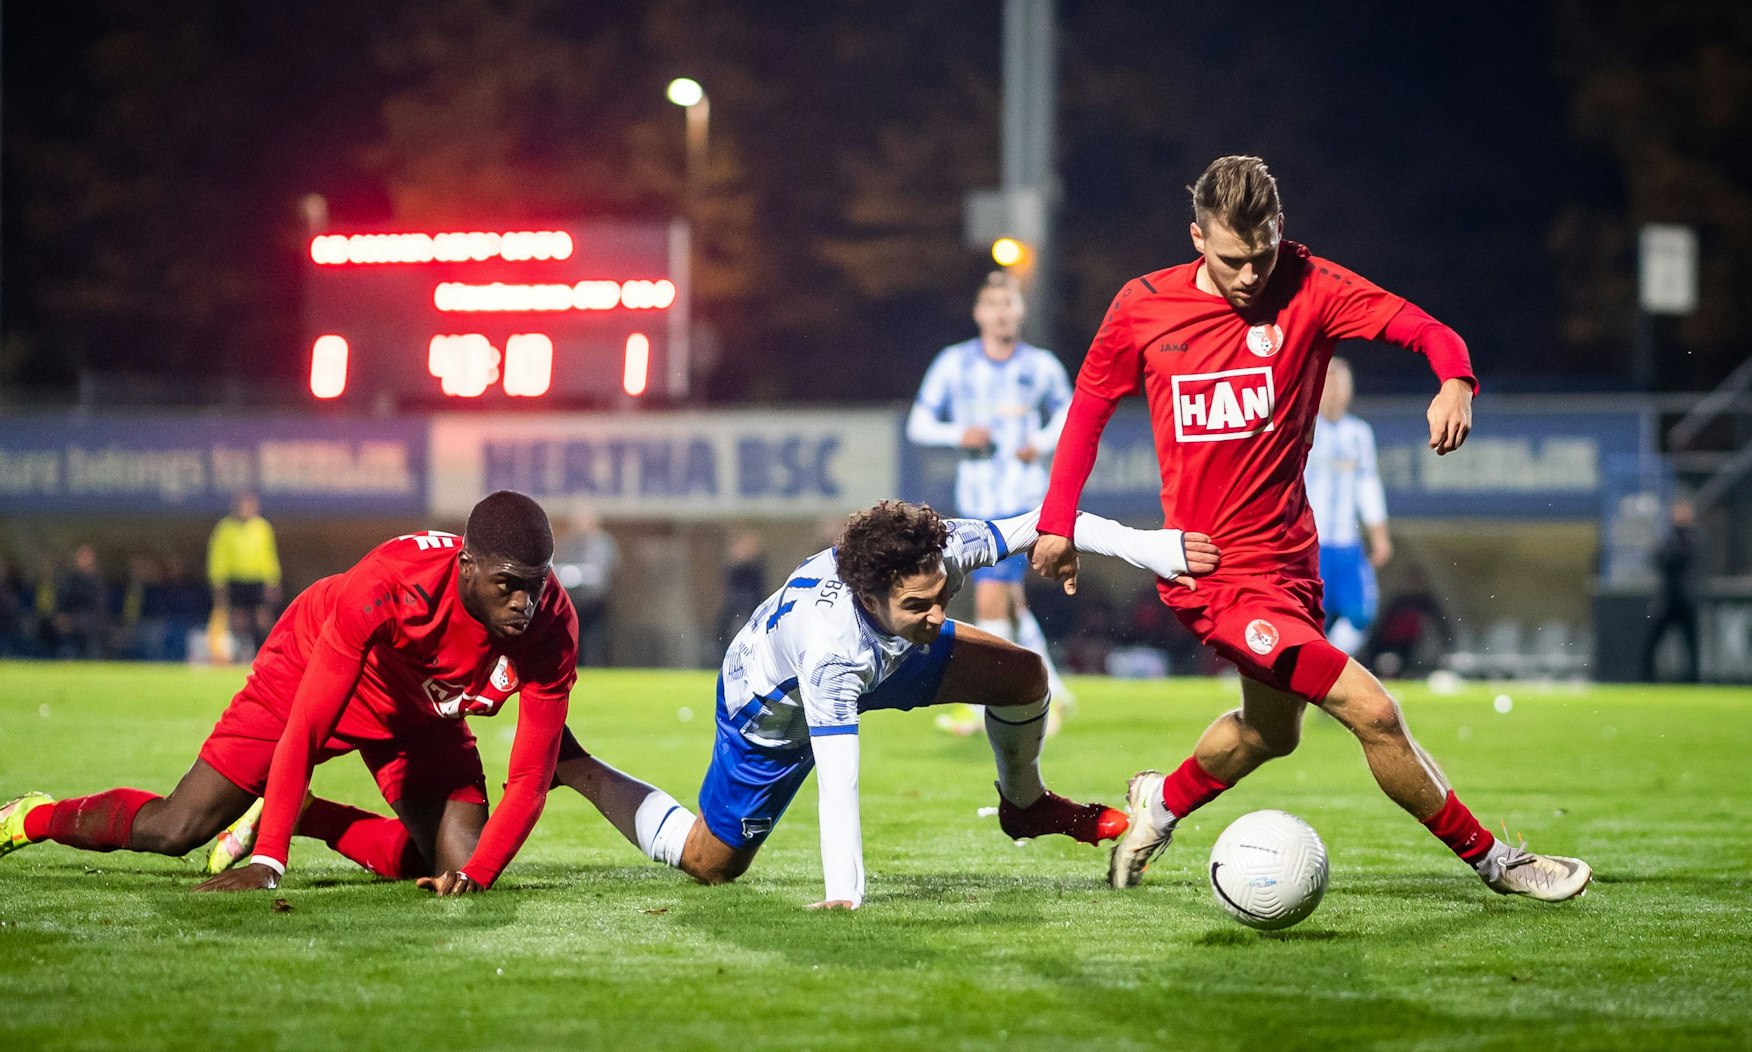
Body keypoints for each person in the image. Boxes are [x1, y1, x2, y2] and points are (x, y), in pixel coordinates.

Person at [1031, 155, 1589, 902]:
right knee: (1375, 712)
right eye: (1231, 259)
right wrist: (1056, 521)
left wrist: (1454, 380)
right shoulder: (1141, 307)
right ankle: (1500, 862)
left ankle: (1158, 804)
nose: (1249, 275)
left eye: (1261, 255)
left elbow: (1426, 328)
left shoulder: (1312, 285)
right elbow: (1090, 407)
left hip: (1293, 565)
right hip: (1214, 574)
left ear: (1280, 231)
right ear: (1196, 237)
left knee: (1271, 733)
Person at [549, 500, 1218, 910]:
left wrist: (1153, 548)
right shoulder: (832, 649)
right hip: (769, 711)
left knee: (1022, 674)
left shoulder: (935, 559)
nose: (939, 612)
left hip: (888, 654)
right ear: (870, 595)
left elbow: (1050, 518)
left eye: (940, 595)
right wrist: (846, 893)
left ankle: (1026, 804)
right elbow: (839, 782)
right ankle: (576, 764)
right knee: (709, 863)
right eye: (919, 604)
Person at [0, 490, 578, 898]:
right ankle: (29, 817)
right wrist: (270, 861)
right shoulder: (386, 584)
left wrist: (478, 873)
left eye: (537, 584)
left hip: (421, 712)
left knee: (441, 864)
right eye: (509, 585)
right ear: (467, 565)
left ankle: (304, 812)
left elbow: (529, 777)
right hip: (313, 665)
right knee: (176, 827)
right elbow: (304, 726)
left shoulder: (552, 624)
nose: (526, 602)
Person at [907, 271, 1076, 735]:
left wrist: (1039, 443)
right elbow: (918, 425)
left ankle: (991, 700)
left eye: (1010, 305)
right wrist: (958, 434)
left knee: (990, 595)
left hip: (1022, 501)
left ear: (1020, 311)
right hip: (976, 502)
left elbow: (1070, 414)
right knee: (1012, 602)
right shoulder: (954, 364)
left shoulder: (1040, 366)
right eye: (994, 306)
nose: (1002, 313)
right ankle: (1055, 691)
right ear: (979, 313)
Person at [1304, 356, 1390, 656]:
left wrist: (1378, 533)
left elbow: (1368, 485)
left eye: (1341, 384)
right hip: (1309, 544)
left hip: (1347, 542)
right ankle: (1306, 674)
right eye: (1329, 383)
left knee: (1361, 612)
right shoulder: (1302, 426)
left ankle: (1329, 664)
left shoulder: (1359, 433)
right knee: (1309, 616)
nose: (1335, 391)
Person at [207, 492, 283, 658]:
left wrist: (273, 580)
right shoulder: (225, 528)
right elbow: (219, 556)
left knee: (263, 618)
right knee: (238, 620)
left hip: (258, 580)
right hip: (236, 579)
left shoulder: (262, 527)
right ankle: (241, 652)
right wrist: (218, 580)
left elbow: (269, 555)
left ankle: (265, 654)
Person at [1641, 497, 1701, 681]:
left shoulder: (1692, 537)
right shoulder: (1670, 537)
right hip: (1668, 599)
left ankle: (1692, 681)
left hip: (1685, 599)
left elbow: (1676, 557)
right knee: (1652, 643)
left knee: (1690, 646)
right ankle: (1647, 680)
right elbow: (1660, 559)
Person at [557, 504, 619, 667]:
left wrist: (584, 574)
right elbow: (559, 569)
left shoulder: (603, 542)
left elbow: (605, 570)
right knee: (575, 639)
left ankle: (603, 669)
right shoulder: (568, 543)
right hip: (574, 603)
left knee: (598, 640)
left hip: (596, 602)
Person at [53, 545, 112, 660]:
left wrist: (73, 621)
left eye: (85, 556)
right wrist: (61, 618)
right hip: (70, 630)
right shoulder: (70, 581)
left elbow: (99, 612)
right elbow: (62, 604)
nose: (82, 559)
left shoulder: (99, 583)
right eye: (80, 556)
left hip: (92, 630)